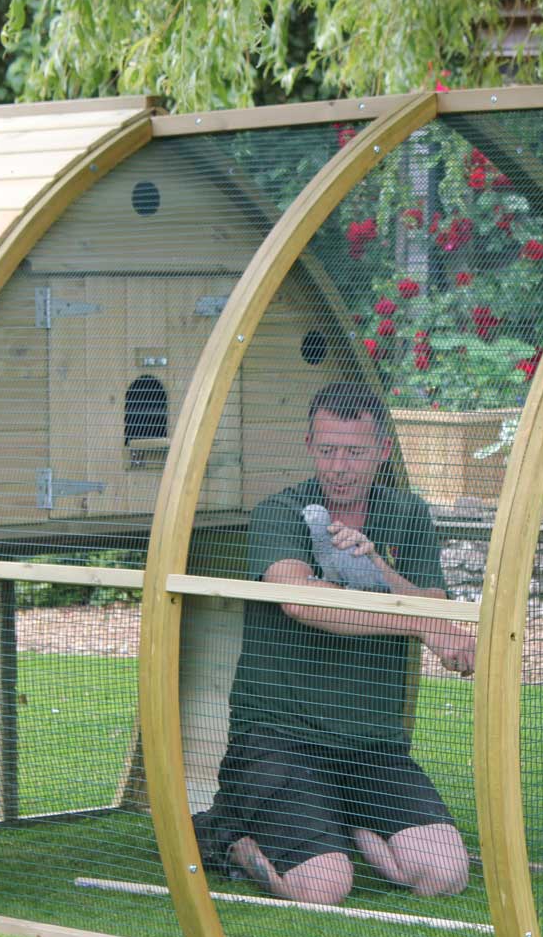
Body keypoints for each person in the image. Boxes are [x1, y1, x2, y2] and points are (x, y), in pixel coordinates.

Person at [194, 381, 475, 906]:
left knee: (445, 875)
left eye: (354, 452)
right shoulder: (282, 511)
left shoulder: (407, 514)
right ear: (309, 444)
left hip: (371, 746)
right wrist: (419, 624)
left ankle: (337, 826)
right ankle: (227, 834)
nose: (339, 466)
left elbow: (431, 601)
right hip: (278, 742)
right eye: (327, 450)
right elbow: (301, 601)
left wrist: (379, 570)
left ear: (382, 451)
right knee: (325, 889)